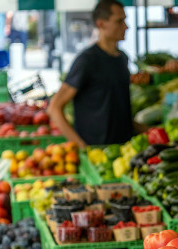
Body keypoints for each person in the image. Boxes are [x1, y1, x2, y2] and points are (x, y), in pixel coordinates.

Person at [48, 0, 133, 147]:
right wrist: (82, 147)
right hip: (96, 152)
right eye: (119, 21)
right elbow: (54, 107)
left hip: (124, 150)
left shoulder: (122, 59)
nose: (126, 26)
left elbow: (119, 110)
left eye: (125, 21)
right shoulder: (87, 61)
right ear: (101, 24)